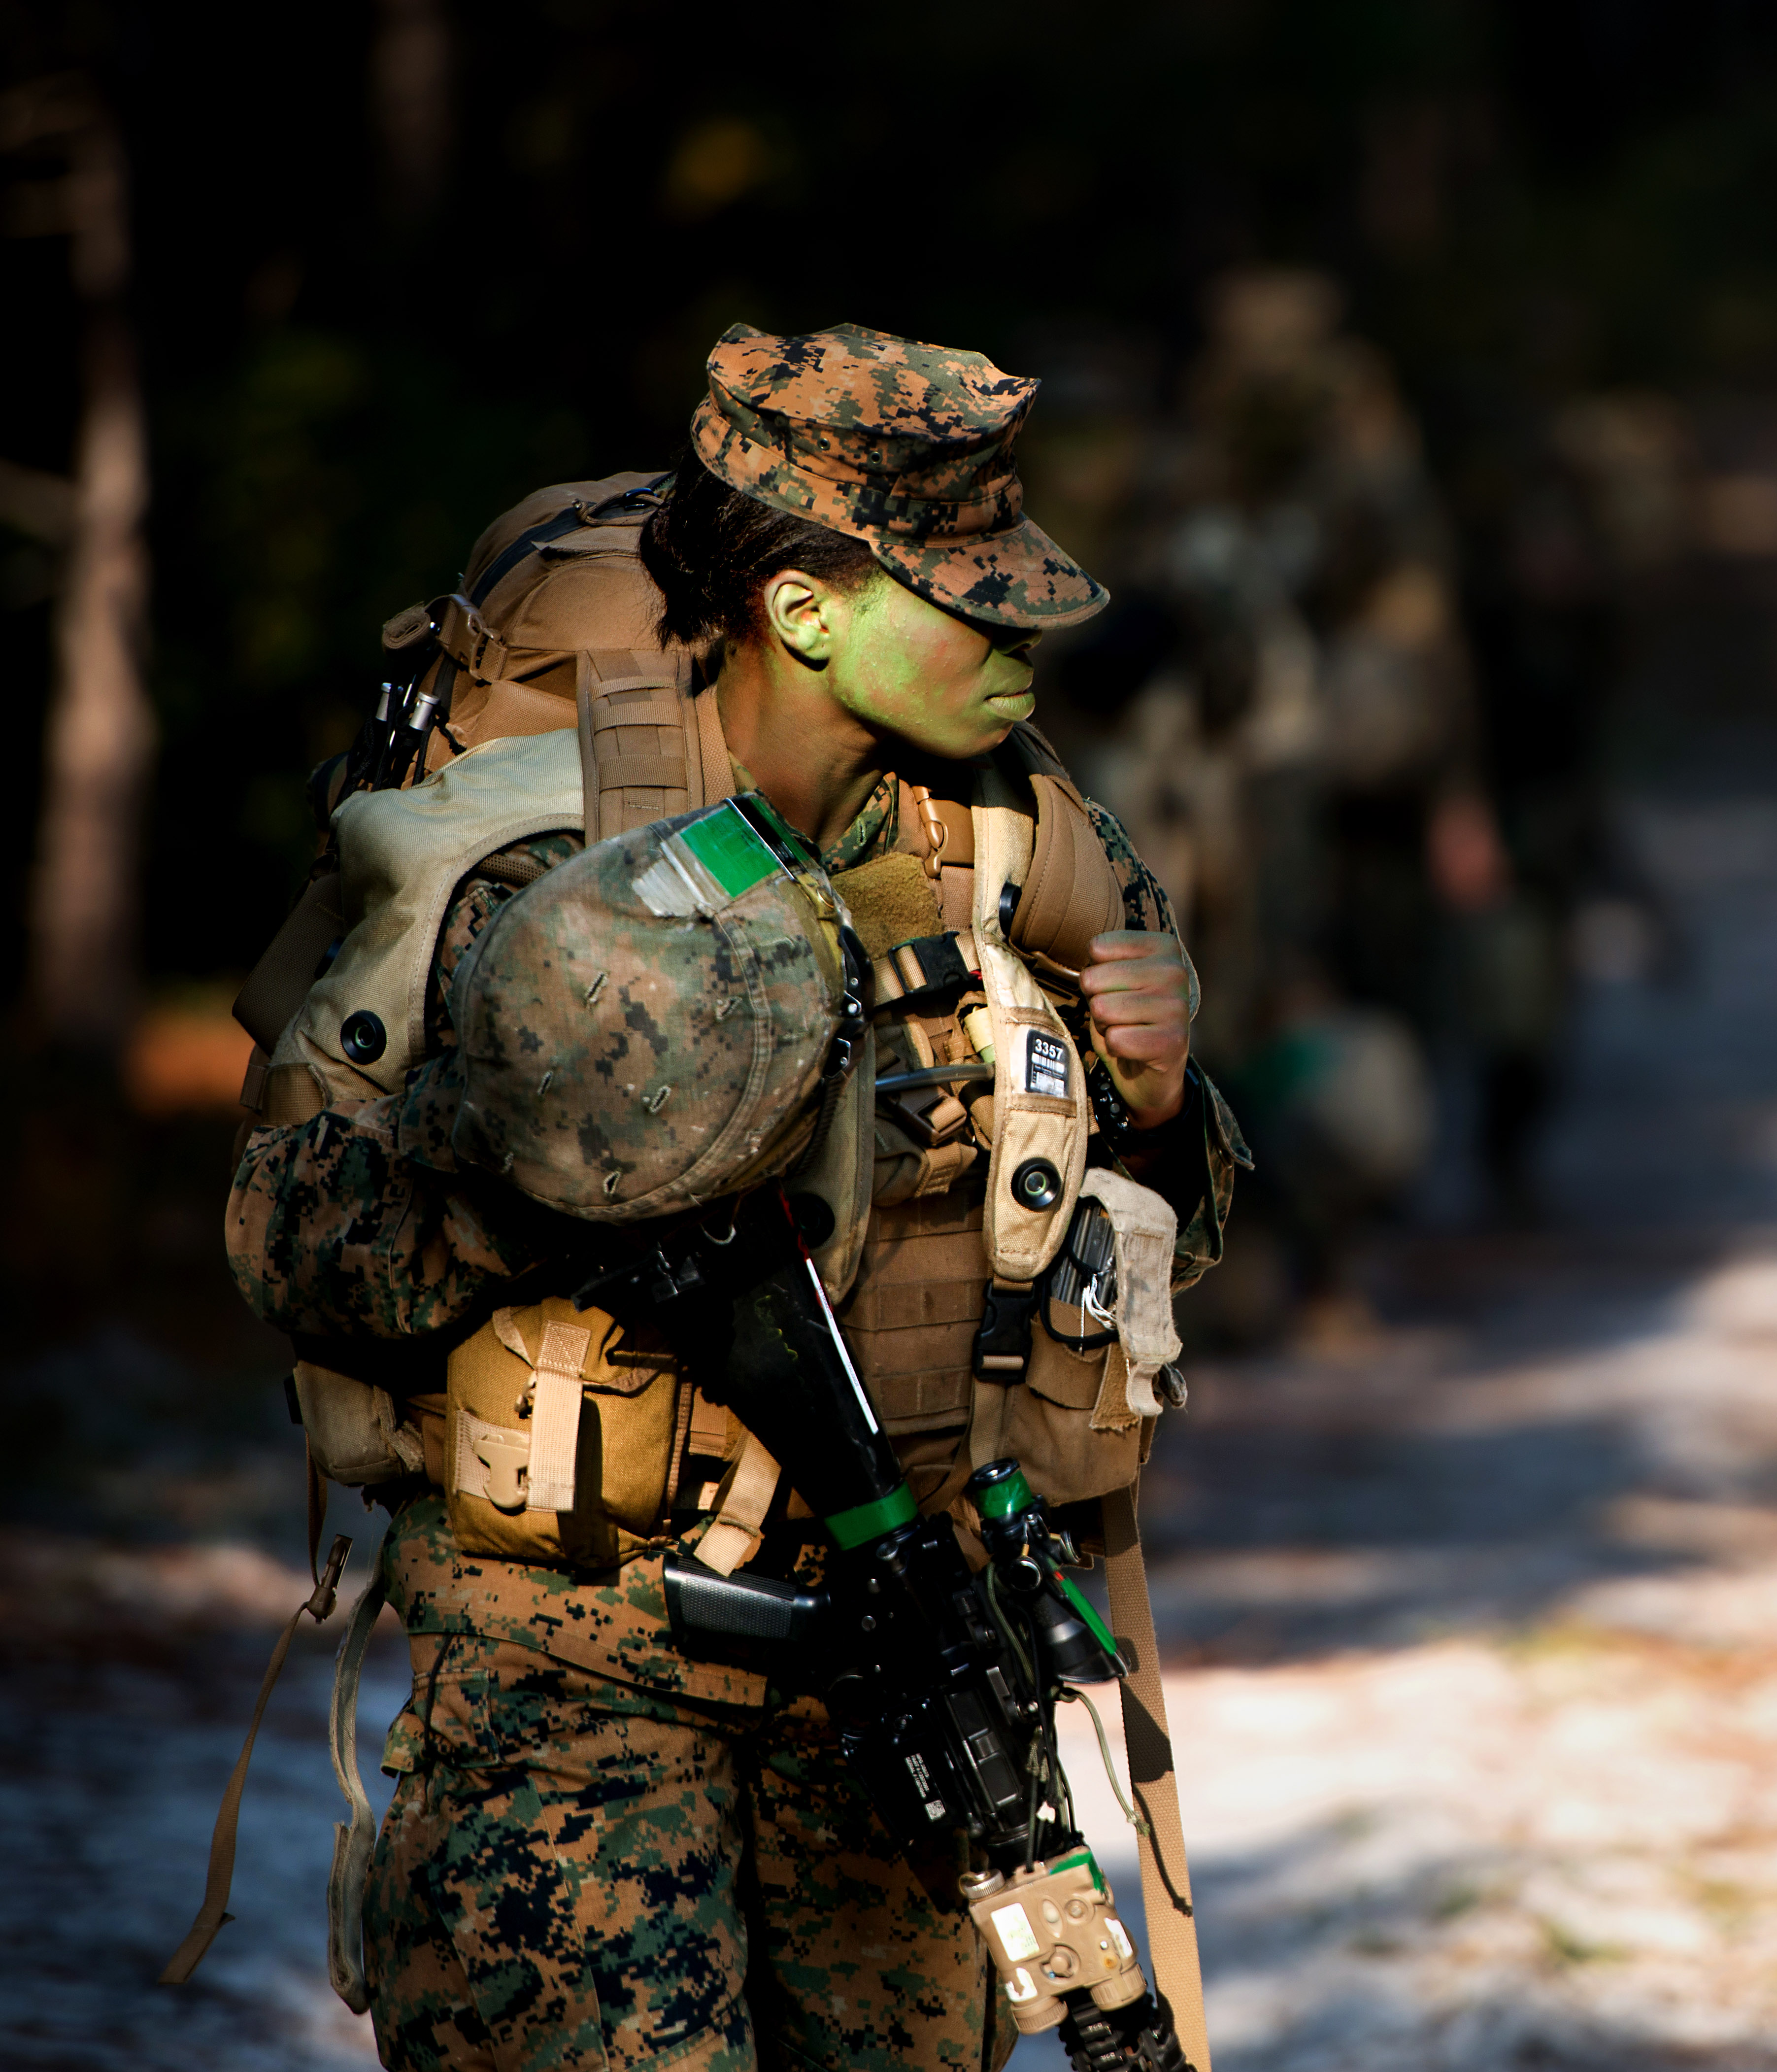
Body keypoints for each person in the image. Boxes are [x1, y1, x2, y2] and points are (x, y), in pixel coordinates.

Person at [224, 322, 1243, 2069]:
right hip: (577, 1679)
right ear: (804, 613)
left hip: (897, 1674)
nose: (1028, 635)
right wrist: (531, 1136)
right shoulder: (535, 864)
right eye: (970, 599)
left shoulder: (1011, 851)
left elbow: (1137, 1261)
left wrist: (1157, 1114)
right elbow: (293, 1248)